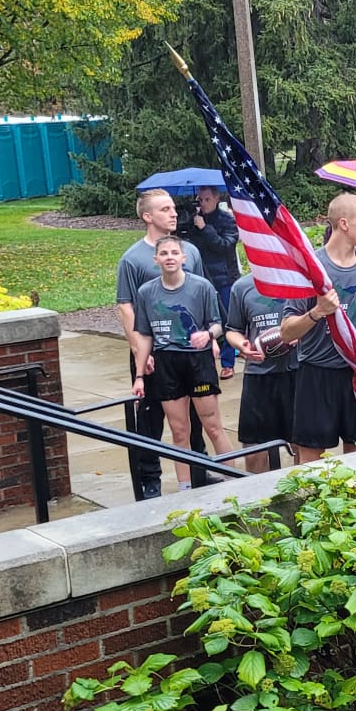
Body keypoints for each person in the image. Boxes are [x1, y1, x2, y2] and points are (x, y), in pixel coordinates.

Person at [276, 193, 356, 463]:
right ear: (343, 224)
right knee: (310, 456)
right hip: (316, 374)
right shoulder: (311, 269)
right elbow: (286, 332)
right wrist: (316, 312)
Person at [115, 189, 207, 499]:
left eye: (172, 207)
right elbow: (126, 307)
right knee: (150, 417)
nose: (173, 213)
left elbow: (202, 296)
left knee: (194, 413)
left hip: (190, 352)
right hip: (153, 351)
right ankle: (149, 479)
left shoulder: (190, 252)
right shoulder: (133, 259)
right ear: (147, 216)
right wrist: (140, 351)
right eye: (164, 209)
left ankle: (199, 468)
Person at [129, 237, 235, 489]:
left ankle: (234, 480)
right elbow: (144, 335)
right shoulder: (146, 293)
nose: (169, 257)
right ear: (156, 260)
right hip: (167, 363)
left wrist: (208, 335)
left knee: (212, 426)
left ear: (183, 257)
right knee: (179, 431)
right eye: (163, 253)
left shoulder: (202, 287)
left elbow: (220, 324)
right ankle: (184, 488)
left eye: (174, 252)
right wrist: (140, 375)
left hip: (197, 361)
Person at [222, 269, 298, 469]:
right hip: (258, 374)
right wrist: (242, 345)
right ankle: (259, 497)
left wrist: (302, 332)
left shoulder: (297, 280)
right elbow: (232, 330)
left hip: (297, 371)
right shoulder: (242, 287)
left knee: (303, 442)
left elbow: (317, 318)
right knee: (254, 446)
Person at [175, 186, 243, 379]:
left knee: (227, 320)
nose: (203, 204)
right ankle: (206, 356)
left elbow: (225, 246)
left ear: (216, 199)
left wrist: (205, 229)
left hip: (223, 277)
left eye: (206, 200)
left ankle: (228, 362)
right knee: (201, 320)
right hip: (200, 277)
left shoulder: (227, 220)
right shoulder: (194, 219)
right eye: (200, 199)